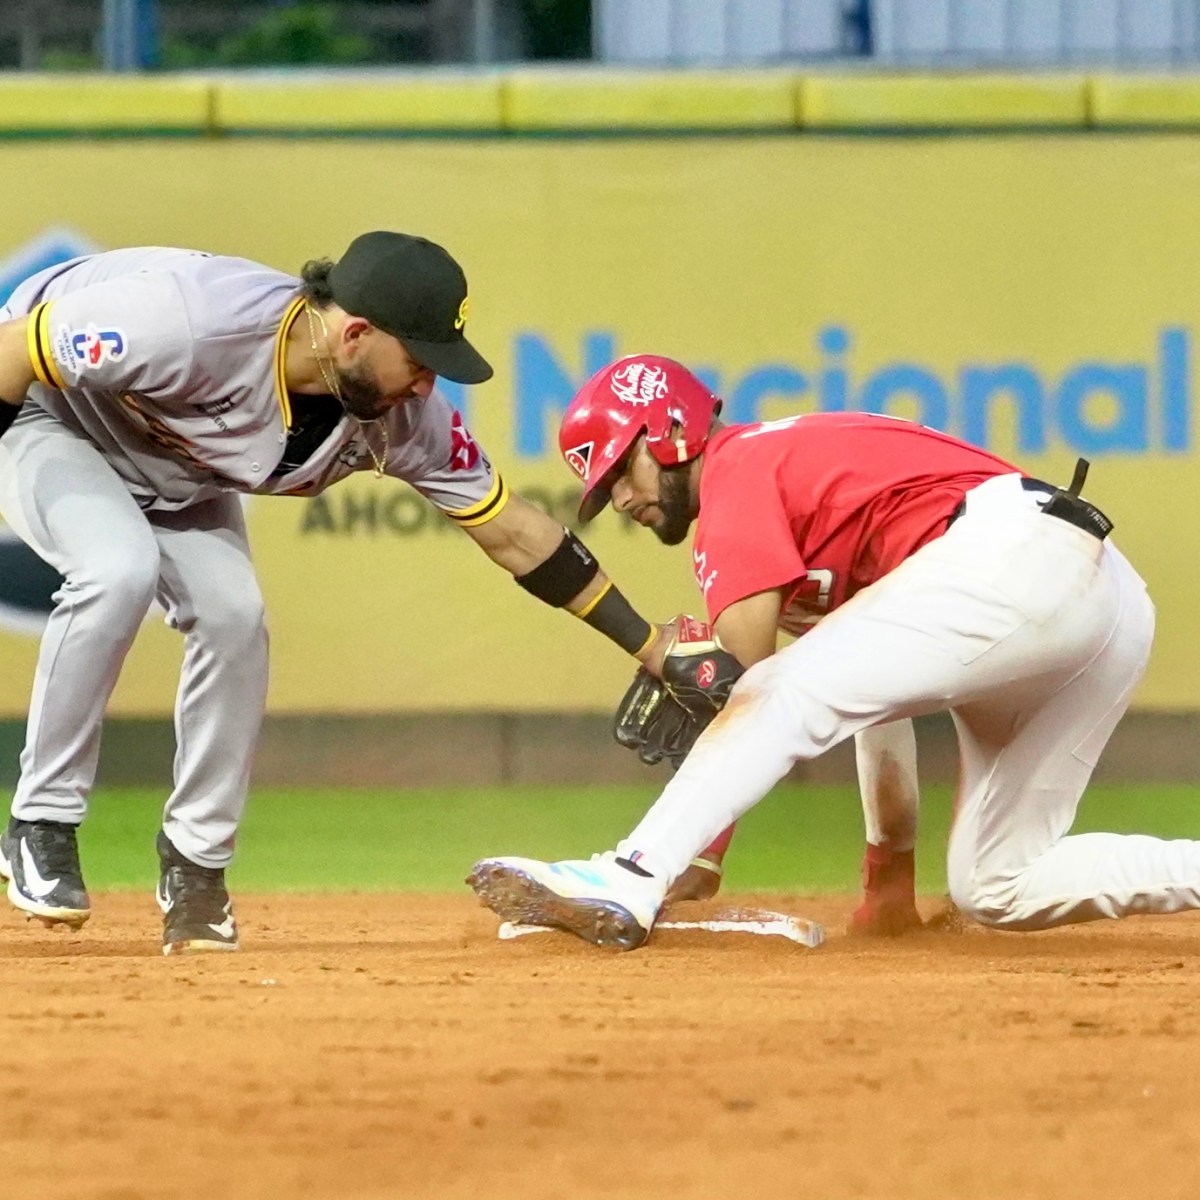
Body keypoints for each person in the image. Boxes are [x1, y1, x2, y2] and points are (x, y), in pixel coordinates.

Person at [0, 236, 669, 954]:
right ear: (354, 333)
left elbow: (514, 532)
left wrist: (653, 646)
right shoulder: (188, 320)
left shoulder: (403, 418)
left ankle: (197, 867)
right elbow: (13, 352)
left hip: (178, 471)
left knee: (236, 617)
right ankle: (41, 825)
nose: (424, 386)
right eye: (418, 361)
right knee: (117, 567)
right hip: (53, 417)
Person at [469, 353, 1200, 950]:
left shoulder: (738, 471)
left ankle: (628, 873)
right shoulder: (796, 500)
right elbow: (862, 707)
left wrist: (699, 848)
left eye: (620, 471)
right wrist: (889, 882)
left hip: (1012, 557)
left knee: (780, 690)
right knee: (997, 885)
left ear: (669, 432)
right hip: (1102, 600)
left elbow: (748, 688)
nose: (620, 501)